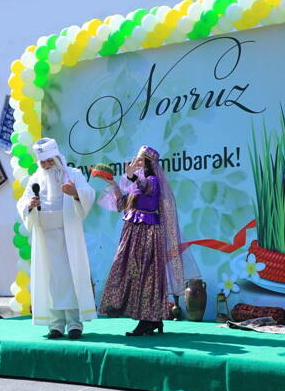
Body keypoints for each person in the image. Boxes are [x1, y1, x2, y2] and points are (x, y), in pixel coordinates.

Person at [99, 145, 193, 336]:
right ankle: (151, 318)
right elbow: (122, 205)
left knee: (147, 274)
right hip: (133, 231)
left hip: (148, 232)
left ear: (149, 163)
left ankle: (149, 319)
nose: (138, 162)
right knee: (129, 271)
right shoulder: (136, 183)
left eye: (141, 160)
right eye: (137, 159)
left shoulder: (153, 180)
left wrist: (132, 176)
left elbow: (146, 188)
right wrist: (114, 184)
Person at [16, 138, 97, 339]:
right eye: (42, 162)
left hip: (68, 234)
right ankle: (56, 325)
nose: (46, 165)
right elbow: (22, 202)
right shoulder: (35, 178)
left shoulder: (73, 174)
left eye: (49, 160)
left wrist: (75, 192)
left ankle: (74, 325)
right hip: (46, 236)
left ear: (56, 157)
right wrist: (30, 205)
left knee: (71, 278)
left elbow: (89, 193)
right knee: (49, 280)